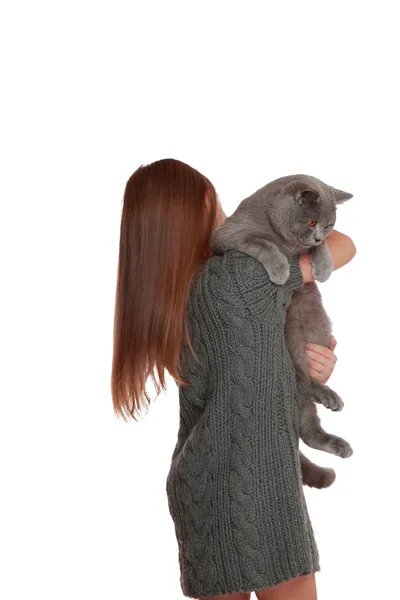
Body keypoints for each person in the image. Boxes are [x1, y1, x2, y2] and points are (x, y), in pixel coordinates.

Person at [111, 158, 356, 600]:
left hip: (200, 489)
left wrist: (304, 358)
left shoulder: (169, 298)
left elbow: (245, 363)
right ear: (203, 202)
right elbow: (343, 244)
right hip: (256, 486)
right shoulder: (240, 277)